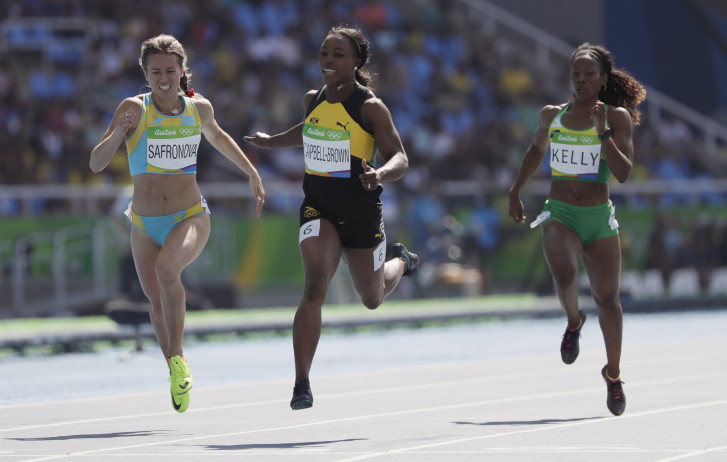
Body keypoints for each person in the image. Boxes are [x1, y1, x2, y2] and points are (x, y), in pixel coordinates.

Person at [244, 25, 418, 410]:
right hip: (318, 206)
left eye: (338, 54)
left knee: (371, 298)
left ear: (356, 62)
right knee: (315, 287)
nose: (328, 60)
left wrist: (379, 174)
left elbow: (401, 158)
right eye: (324, 53)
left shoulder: (370, 107)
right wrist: (272, 141)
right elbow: (309, 130)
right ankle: (301, 383)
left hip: (361, 212)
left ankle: (402, 261)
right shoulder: (313, 98)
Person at [90, 34, 265, 413]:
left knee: (169, 272)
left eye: (171, 70)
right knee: (155, 300)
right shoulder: (133, 109)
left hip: (190, 216)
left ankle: (179, 358)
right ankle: (174, 367)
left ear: (182, 71)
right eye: (156, 72)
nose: (164, 78)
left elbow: (218, 136)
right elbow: (96, 163)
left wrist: (251, 172)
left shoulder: (197, 108)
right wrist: (119, 133)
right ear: (146, 74)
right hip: (143, 223)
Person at [507, 42, 645, 416]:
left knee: (608, 302)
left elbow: (624, 173)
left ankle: (613, 375)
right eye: (575, 75)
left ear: (603, 79)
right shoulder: (552, 115)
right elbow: (536, 151)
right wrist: (516, 189)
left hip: (598, 218)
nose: (581, 81)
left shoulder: (615, 118)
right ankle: (573, 321)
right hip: (561, 213)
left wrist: (602, 134)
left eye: (588, 75)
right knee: (564, 270)